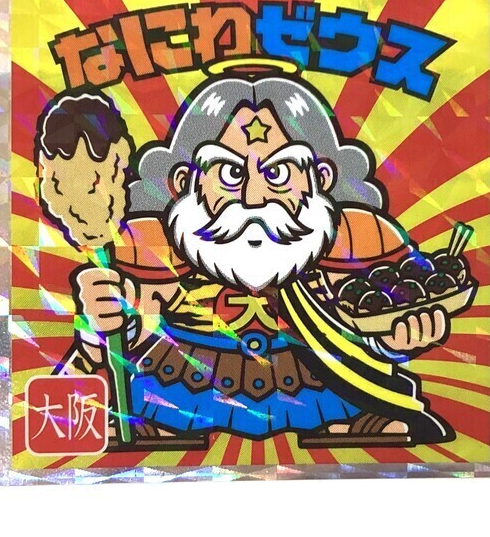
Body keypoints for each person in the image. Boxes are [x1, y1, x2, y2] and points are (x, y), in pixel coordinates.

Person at [68, 63, 455, 449]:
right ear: (185, 181)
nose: (254, 198)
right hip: (181, 389)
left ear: (321, 178)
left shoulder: (355, 237)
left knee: (370, 428)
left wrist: (396, 340)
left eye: (279, 174)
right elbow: (130, 332)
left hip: (322, 387)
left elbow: (369, 325)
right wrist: (101, 319)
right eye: (230, 174)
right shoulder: (151, 242)